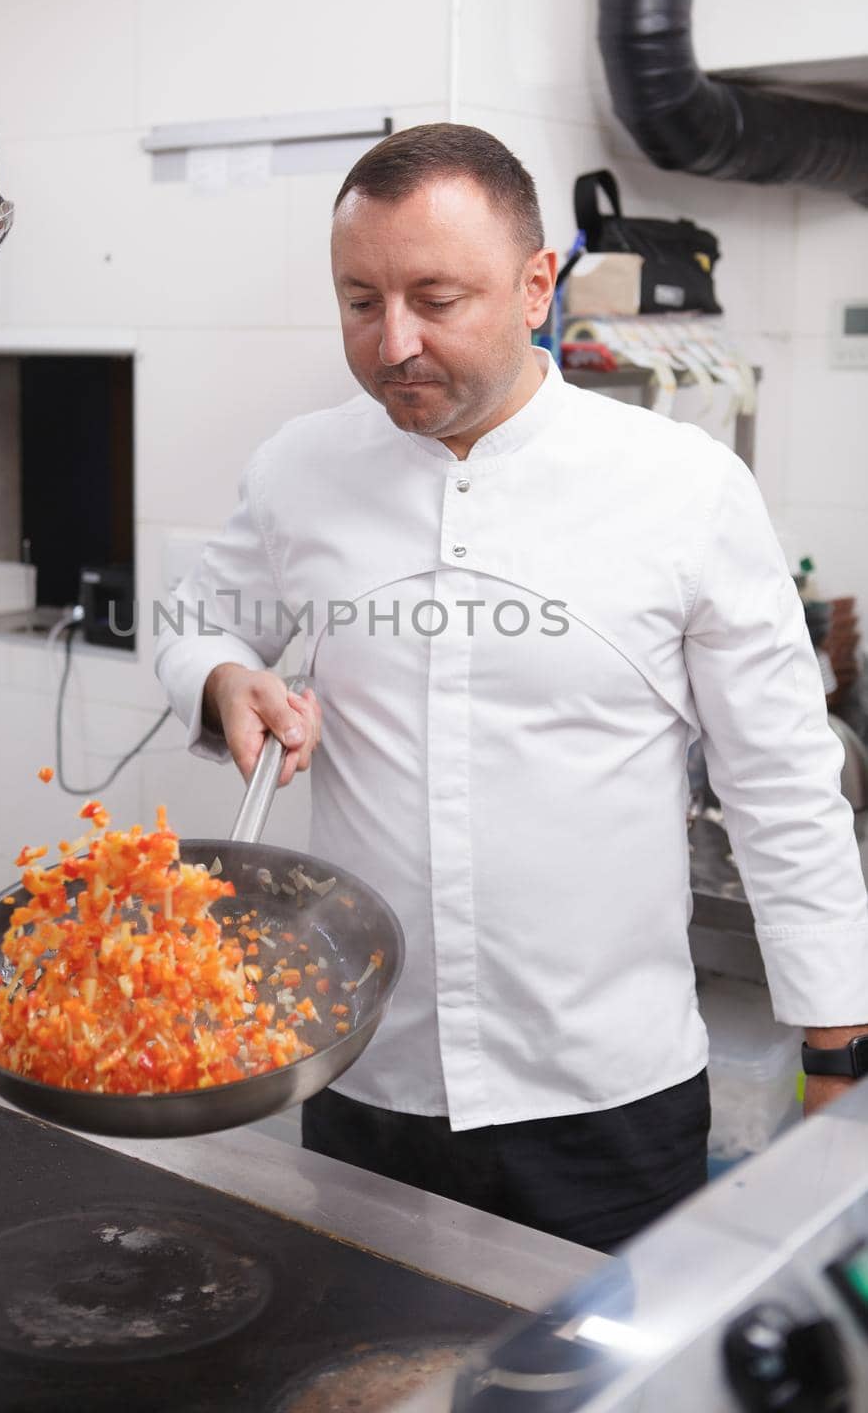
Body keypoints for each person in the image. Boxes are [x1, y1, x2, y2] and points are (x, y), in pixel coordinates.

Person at [153, 123, 868, 1253]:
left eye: (437, 298)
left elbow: (781, 783)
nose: (394, 343)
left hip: (604, 1103)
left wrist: (835, 1053)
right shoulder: (301, 466)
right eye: (358, 302)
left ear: (537, 285)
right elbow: (194, 625)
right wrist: (222, 680)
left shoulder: (680, 487)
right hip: (361, 1076)